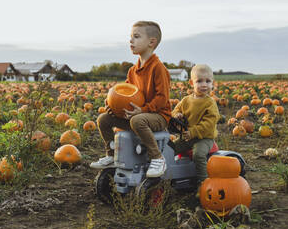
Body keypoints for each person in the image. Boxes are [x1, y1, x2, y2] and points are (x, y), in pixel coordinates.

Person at [90, 21, 172, 178]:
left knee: (137, 121)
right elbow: (124, 96)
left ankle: (157, 158)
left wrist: (143, 110)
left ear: (151, 42)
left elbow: (162, 99)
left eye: (136, 37)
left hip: (159, 117)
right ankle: (111, 155)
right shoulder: (132, 71)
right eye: (130, 37)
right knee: (103, 119)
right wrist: (112, 106)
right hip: (137, 115)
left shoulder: (158, 68)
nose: (131, 40)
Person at [171, 64, 220, 185]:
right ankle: (170, 175)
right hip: (187, 137)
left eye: (208, 81)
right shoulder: (186, 100)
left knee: (198, 154)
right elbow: (175, 111)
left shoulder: (210, 103)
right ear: (192, 83)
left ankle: (203, 183)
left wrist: (193, 132)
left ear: (212, 83)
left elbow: (209, 123)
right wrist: (177, 115)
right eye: (199, 81)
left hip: (204, 138)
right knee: (170, 149)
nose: (204, 84)